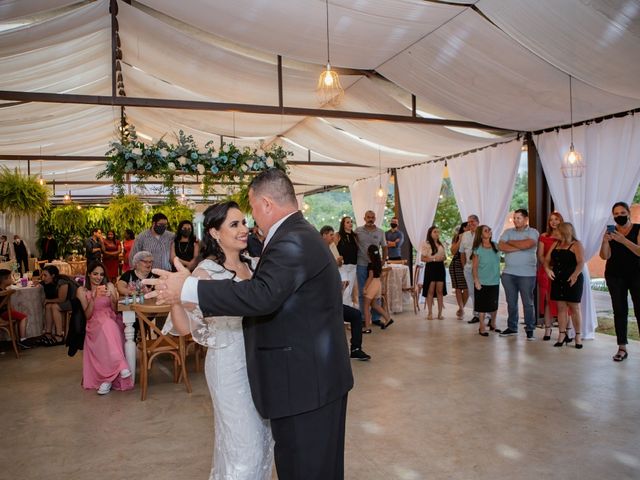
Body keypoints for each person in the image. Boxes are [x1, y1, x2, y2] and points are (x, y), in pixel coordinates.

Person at [145, 169, 353, 480]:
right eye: (236, 222)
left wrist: (188, 288)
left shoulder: (291, 240)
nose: (249, 222)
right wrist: (182, 293)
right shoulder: (296, 235)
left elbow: (262, 295)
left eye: (251, 210)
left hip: (305, 383)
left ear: (266, 204)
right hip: (289, 375)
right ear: (215, 233)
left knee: (306, 468)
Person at [168, 201, 274, 479]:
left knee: (264, 444)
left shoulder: (254, 265)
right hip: (229, 367)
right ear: (215, 233)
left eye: (244, 222)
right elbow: (183, 328)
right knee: (244, 447)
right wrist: (176, 297)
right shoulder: (205, 273)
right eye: (235, 224)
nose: (244, 229)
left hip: (259, 363)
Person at [77, 262, 132, 395]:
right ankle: (122, 365)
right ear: (89, 274)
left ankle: (106, 381)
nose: (98, 277)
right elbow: (88, 315)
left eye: (101, 274)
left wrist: (112, 298)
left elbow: (115, 309)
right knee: (107, 326)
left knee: (109, 325)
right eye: (95, 274)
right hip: (93, 322)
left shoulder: (109, 286)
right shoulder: (82, 291)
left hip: (111, 318)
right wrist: (94, 298)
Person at [320, 225, 371, 360]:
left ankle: (355, 349)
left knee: (355, 315)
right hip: (321, 303)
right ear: (323, 235)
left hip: (332, 299)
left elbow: (334, 271)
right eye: (331, 235)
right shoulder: (318, 251)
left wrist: (341, 283)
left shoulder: (331, 248)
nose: (333, 238)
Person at [599, 201, 640, 362]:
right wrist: (605, 241)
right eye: (616, 214)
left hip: (636, 274)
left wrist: (623, 240)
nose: (619, 216)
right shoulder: (611, 232)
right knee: (619, 311)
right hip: (615, 276)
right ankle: (622, 347)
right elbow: (604, 256)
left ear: (628, 213)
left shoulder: (637, 229)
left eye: (622, 213)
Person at [498, 209, 539, 340]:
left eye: (518, 218)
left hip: (527, 274)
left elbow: (529, 244)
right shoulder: (507, 232)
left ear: (526, 219)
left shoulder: (533, 232)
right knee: (511, 302)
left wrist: (511, 243)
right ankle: (512, 327)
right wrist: (521, 246)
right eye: (515, 218)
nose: (515, 220)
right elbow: (501, 246)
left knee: (527, 303)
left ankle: (530, 329)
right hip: (508, 274)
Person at [544, 222, 584, 349]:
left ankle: (577, 335)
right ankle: (561, 334)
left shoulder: (576, 244)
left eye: (558, 231)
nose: (556, 233)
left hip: (572, 278)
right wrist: (547, 270)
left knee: (574, 308)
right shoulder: (556, 244)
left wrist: (575, 275)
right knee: (561, 307)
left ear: (565, 232)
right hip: (557, 278)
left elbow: (581, 262)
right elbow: (546, 260)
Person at [355, 210, 387, 324]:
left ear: (375, 218)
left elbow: (384, 247)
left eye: (372, 217)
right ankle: (363, 318)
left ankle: (375, 318)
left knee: (375, 293)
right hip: (362, 264)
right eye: (368, 217)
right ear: (364, 218)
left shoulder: (380, 232)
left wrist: (383, 260)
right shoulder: (358, 231)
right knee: (361, 292)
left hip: (375, 266)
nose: (370, 219)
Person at [537, 212, 563, 340]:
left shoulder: (565, 236)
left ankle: (566, 332)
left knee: (563, 302)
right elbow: (540, 255)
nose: (553, 222)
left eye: (556, 219)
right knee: (548, 300)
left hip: (562, 272)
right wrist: (547, 268)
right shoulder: (544, 236)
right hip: (546, 271)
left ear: (561, 221)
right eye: (551, 220)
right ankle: (548, 330)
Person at [471, 226, 501, 336]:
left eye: (489, 230)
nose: (489, 232)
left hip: (495, 280)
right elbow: (474, 267)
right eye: (486, 230)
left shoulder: (496, 246)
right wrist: (476, 281)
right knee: (482, 305)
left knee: (494, 304)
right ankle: (481, 326)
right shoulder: (477, 249)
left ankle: (493, 323)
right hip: (482, 281)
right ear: (481, 234)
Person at [41, 265, 77, 346]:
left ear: (53, 275)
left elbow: (61, 299)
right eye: (42, 275)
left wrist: (47, 300)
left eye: (45, 275)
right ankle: (48, 333)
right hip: (67, 301)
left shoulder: (62, 282)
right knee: (48, 306)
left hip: (74, 301)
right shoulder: (51, 281)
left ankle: (59, 335)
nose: (43, 278)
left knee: (54, 306)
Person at [362, 245, 394, 332]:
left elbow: (370, 277)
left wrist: (365, 287)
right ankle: (388, 318)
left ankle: (367, 327)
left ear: (368, 253)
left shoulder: (370, 264)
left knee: (366, 306)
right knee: (375, 305)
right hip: (378, 284)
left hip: (372, 285)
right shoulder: (379, 263)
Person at [420, 226, 447, 320]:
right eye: (435, 232)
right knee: (430, 291)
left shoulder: (441, 243)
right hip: (431, 267)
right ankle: (430, 313)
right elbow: (422, 258)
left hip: (440, 267)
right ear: (430, 233)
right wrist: (434, 259)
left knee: (440, 291)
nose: (437, 234)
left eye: (438, 232)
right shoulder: (426, 244)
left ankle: (440, 313)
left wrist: (443, 258)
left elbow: (445, 257)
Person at [0, 269, 31, 349]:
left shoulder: (4, 290)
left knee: (18, 315)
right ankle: (23, 340)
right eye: (10, 277)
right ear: (4, 280)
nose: (12, 279)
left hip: (5, 313)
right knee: (23, 317)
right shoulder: (4, 292)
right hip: (3, 314)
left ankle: (19, 339)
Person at [459, 214, 481, 323]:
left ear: (478, 222)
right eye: (469, 222)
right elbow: (462, 252)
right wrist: (464, 266)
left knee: (482, 291)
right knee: (472, 292)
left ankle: (488, 315)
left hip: (480, 268)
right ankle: (476, 314)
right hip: (468, 267)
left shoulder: (482, 233)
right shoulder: (465, 235)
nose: (470, 224)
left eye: (472, 221)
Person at [335, 216, 358, 307]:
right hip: (342, 266)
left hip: (353, 266)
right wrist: (337, 259)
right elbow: (333, 248)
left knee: (350, 290)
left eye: (351, 222)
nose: (350, 224)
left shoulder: (354, 236)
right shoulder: (338, 235)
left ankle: (347, 312)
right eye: (347, 222)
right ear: (343, 224)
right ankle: (343, 312)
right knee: (345, 289)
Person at [449, 222, 469, 317]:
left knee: (466, 288)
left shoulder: (474, 237)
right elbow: (453, 251)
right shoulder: (457, 237)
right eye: (468, 226)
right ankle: (461, 308)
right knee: (458, 287)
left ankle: (461, 308)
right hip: (456, 264)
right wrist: (460, 239)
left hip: (468, 264)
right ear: (464, 228)